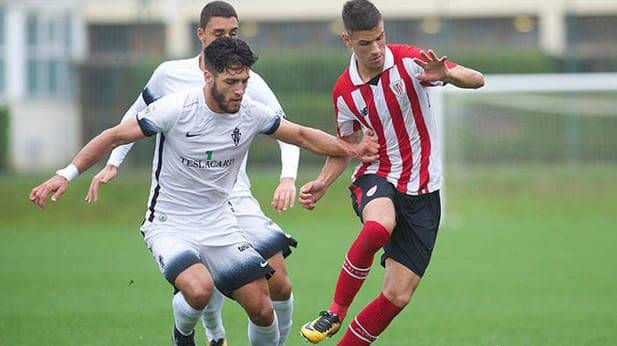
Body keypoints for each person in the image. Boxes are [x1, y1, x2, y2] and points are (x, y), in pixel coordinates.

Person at [29, 37, 379, 346]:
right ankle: (183, 335)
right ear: (208, 76)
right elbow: (113, 136)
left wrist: (352, 150)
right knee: (199, 288)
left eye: (243, 81)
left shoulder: (251, 113)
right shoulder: (176, 109)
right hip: (169, 222)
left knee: (261, 307)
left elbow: (301, 135)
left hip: (220, 223)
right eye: (231, 82)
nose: (240, 90)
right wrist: (66, 174)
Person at [84, 2, 300, 345]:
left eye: (233, 33)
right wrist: (113, 162)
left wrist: (288, 177)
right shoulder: (169, 75)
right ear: (201, 35)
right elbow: (132, 118)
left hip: (235, 196)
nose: (225, 40)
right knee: (201, 282)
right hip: (184, 204)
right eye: (218, 34)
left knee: (279, 284)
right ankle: (214, 334)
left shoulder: (248, 79)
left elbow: (290, 131)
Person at [299, 1, 485, 345]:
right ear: (348, 41)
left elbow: (477, 79)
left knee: (397, 295)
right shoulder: (345, 91)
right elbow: (346, 147)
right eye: (365, 43)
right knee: (378, 226)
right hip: (378, 174)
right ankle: (335, 311)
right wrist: (323, 182)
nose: (376, 49)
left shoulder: (411, 61)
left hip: (424, 190)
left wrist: (446, 75)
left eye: (380, 38)